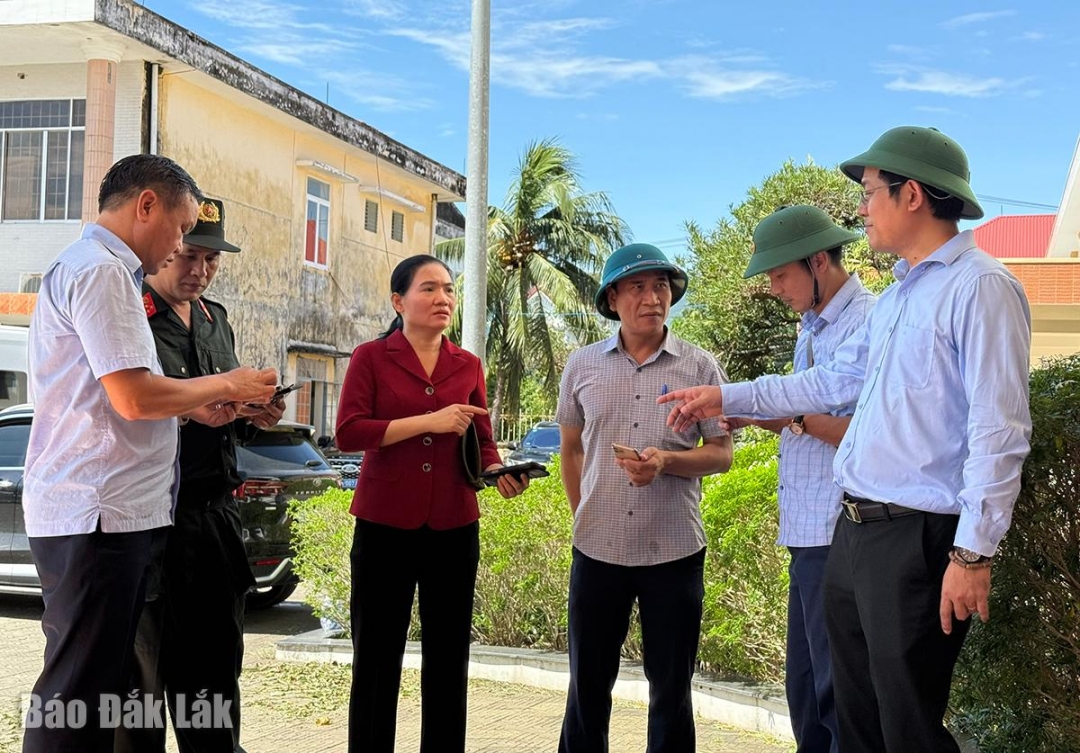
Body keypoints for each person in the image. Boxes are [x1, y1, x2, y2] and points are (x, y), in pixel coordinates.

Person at [660, 126, 1032, 753]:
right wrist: (729, 395)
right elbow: (832, 380)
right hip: (854, 530)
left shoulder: (981, 287)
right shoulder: (896, 299)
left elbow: (999, 430)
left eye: (869, 192)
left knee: (906, 726)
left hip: (915, 536)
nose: (860, 209)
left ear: (911, 195)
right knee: (855, 722)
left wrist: (972, 554)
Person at [22, 154, 277, 753]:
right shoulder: (107, 272)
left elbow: (113, 396)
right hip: (100, 514)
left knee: (108, 691)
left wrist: (204, 408)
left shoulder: (104, 271)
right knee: (86, 699)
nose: (185, 248)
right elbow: (133, 397)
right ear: (146, 206)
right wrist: (227, 386)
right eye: (184, 231)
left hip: (130, 514)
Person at [335, 254, 530, 753]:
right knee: (376, 660)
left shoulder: (468, 364)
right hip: (384, 528)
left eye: (447, 289)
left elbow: (482, 440)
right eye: (429, 289)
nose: (443, 298)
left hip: (453, 526)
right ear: (399, 301)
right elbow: (348, 433)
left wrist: (496, 471)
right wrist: (429, 421)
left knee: (448, 659)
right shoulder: (370, 358)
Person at [114, 198, 284, 753]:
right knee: (139, 695)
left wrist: (256, 414)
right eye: (189, 256)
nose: (200, 271)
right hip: (153, 523)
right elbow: (129, 408)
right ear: (166, 247)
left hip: (214, 521)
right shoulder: (132, 317)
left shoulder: (217, 321)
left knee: (214, 686)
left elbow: (227, 423)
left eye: (212, 260)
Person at [556, 243, 733, 753]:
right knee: (587, 687)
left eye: (661, 287)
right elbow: (570, 449)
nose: (653, 298)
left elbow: (721, 453)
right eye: (637, 287)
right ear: (612, 298)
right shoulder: (582, 365)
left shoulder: (700, 366)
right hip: (597, 551)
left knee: (672, 690)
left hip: (674, 552)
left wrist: (666, 463)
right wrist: (582, 512)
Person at [731, 205, 875, 753]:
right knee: (806, 693)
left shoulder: (867, 321)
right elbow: (806, 417)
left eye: (780, 274)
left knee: (838, 692)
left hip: (841, 527)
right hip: (806, 529)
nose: (774, 288)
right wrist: (755, 417)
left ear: (818, 261)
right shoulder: (811, 326)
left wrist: (788, 416)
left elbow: (865, 432)